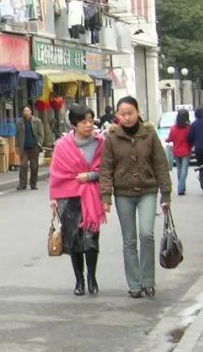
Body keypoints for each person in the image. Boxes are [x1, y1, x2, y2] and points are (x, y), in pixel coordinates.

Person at [99, 96, 172, 299]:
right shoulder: (112, 138)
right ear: (117, 116)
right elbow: (106, 169)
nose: (127, 117)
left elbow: (160, 164)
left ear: (138, 112)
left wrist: (166, 193)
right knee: (129, 240)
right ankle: (134, 284)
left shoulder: (149, 134)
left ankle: (148, 281)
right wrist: (105, 196)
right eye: (123, 114)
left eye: (130, 112)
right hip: (123, 193)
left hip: (148, 190)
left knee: (146, 234)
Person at [49, 105, 106, 296]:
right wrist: (53, 198)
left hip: (91, 195)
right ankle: (79, 280)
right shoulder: (62, 146)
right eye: (84, 122)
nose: (89, 125)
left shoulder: (100, 143)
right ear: (74, 124)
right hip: (67, 195)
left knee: (91, 239)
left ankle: (92, 277)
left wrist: (90, 176)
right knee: (73, 239)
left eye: (91, 120)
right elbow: (55, 173)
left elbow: (106, 170)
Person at [17, 105, 46, 190]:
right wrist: (16, 146)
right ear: (22, 113)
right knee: (23, 165)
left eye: (27, 111)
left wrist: (39, 143)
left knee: (34, 166)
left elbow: (41, 134)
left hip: (34, 147)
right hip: (24, 148)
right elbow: (17, 136)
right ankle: (22, 184)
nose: (26, 112)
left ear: (30, 112)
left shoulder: (37, 121)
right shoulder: (19, 123)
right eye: (24, 111)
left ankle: (33, 184)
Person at [165, 109, 192, 196]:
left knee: (179, 169)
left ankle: (182, 187)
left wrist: (166, 140)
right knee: (184, 170)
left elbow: (169, 139)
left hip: (176, 151)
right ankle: (181, 188)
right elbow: (191, 139)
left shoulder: (173, 128)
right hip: (186, 151)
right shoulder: (188, 128)